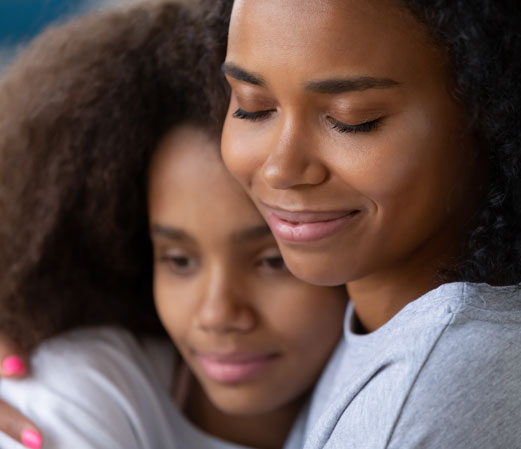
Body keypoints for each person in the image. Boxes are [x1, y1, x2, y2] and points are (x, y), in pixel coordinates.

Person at [219, 0, 521, 447]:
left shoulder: (441, 392)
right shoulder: (420, 315)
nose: (281, 168)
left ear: (495, 115)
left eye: (352, 119)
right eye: (251, 105)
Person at [0, 1, 346, 448]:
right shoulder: (88, 385)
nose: (217, 315)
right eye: (180, 260)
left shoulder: (415, 394)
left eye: (272, 262)